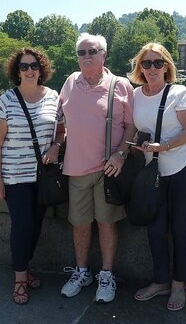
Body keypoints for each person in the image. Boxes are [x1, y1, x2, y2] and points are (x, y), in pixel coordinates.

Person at [45, 33, 136, 303]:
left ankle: (106, 276)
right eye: (82, 53)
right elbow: (60, 123)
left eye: (93, 51)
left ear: (104, 54)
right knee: (80, 224)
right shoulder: (70, 82)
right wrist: (56, 145)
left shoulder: (120, 86)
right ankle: (82, 272)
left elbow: (132, 126)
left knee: (107, 223)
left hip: (108, 169)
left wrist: (121, 154)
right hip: (74, 168)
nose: (87, 57)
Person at [128, 42, 186, 312]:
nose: (152, 68)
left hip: (184, 166)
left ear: (167, 66)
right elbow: (134, 128)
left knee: (181, 228)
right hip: (154, 171)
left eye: (158, 63)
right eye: (146, 64)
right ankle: (160, 281)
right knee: (155, 228)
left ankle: (179, 284)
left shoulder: (178, 92)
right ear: (139, 68)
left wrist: (164, 147)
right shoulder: (135, 95)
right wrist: (136, 143)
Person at [0, 47, 64, 305]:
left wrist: (55, 146)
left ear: (41, 69)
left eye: (34, 66)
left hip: (41, 176)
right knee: (23, 225)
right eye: (24, 66)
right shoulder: (6, 100)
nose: (30, 70)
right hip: (13, 175)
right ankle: (20, 279)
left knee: (36, 224)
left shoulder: (53, 97)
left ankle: (25, 267)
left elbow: (62, 130)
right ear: (16, 71)